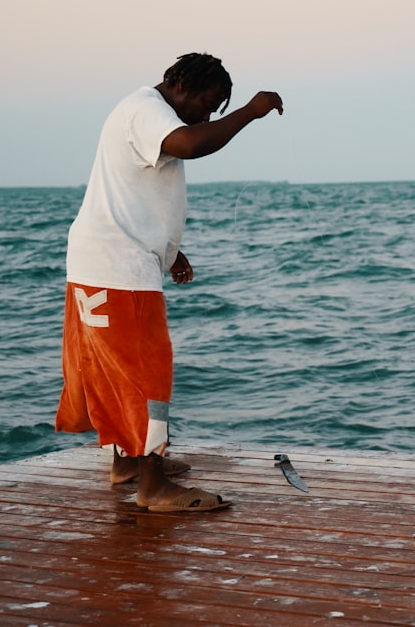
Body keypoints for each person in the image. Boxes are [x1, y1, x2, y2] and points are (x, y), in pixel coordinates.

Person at [55, 52, 283, 512]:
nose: (209, 115)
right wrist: (249, 112)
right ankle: (153, 485)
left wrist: (171, 252)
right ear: (184, 85)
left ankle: (129, 464)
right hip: (119, 271)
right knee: (146, 373)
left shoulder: (141, 112)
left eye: (218, 109)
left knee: (119, 371)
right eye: (208, 103)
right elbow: (190, 144)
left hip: (104, 263)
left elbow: (135, 196)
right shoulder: (148, 111)